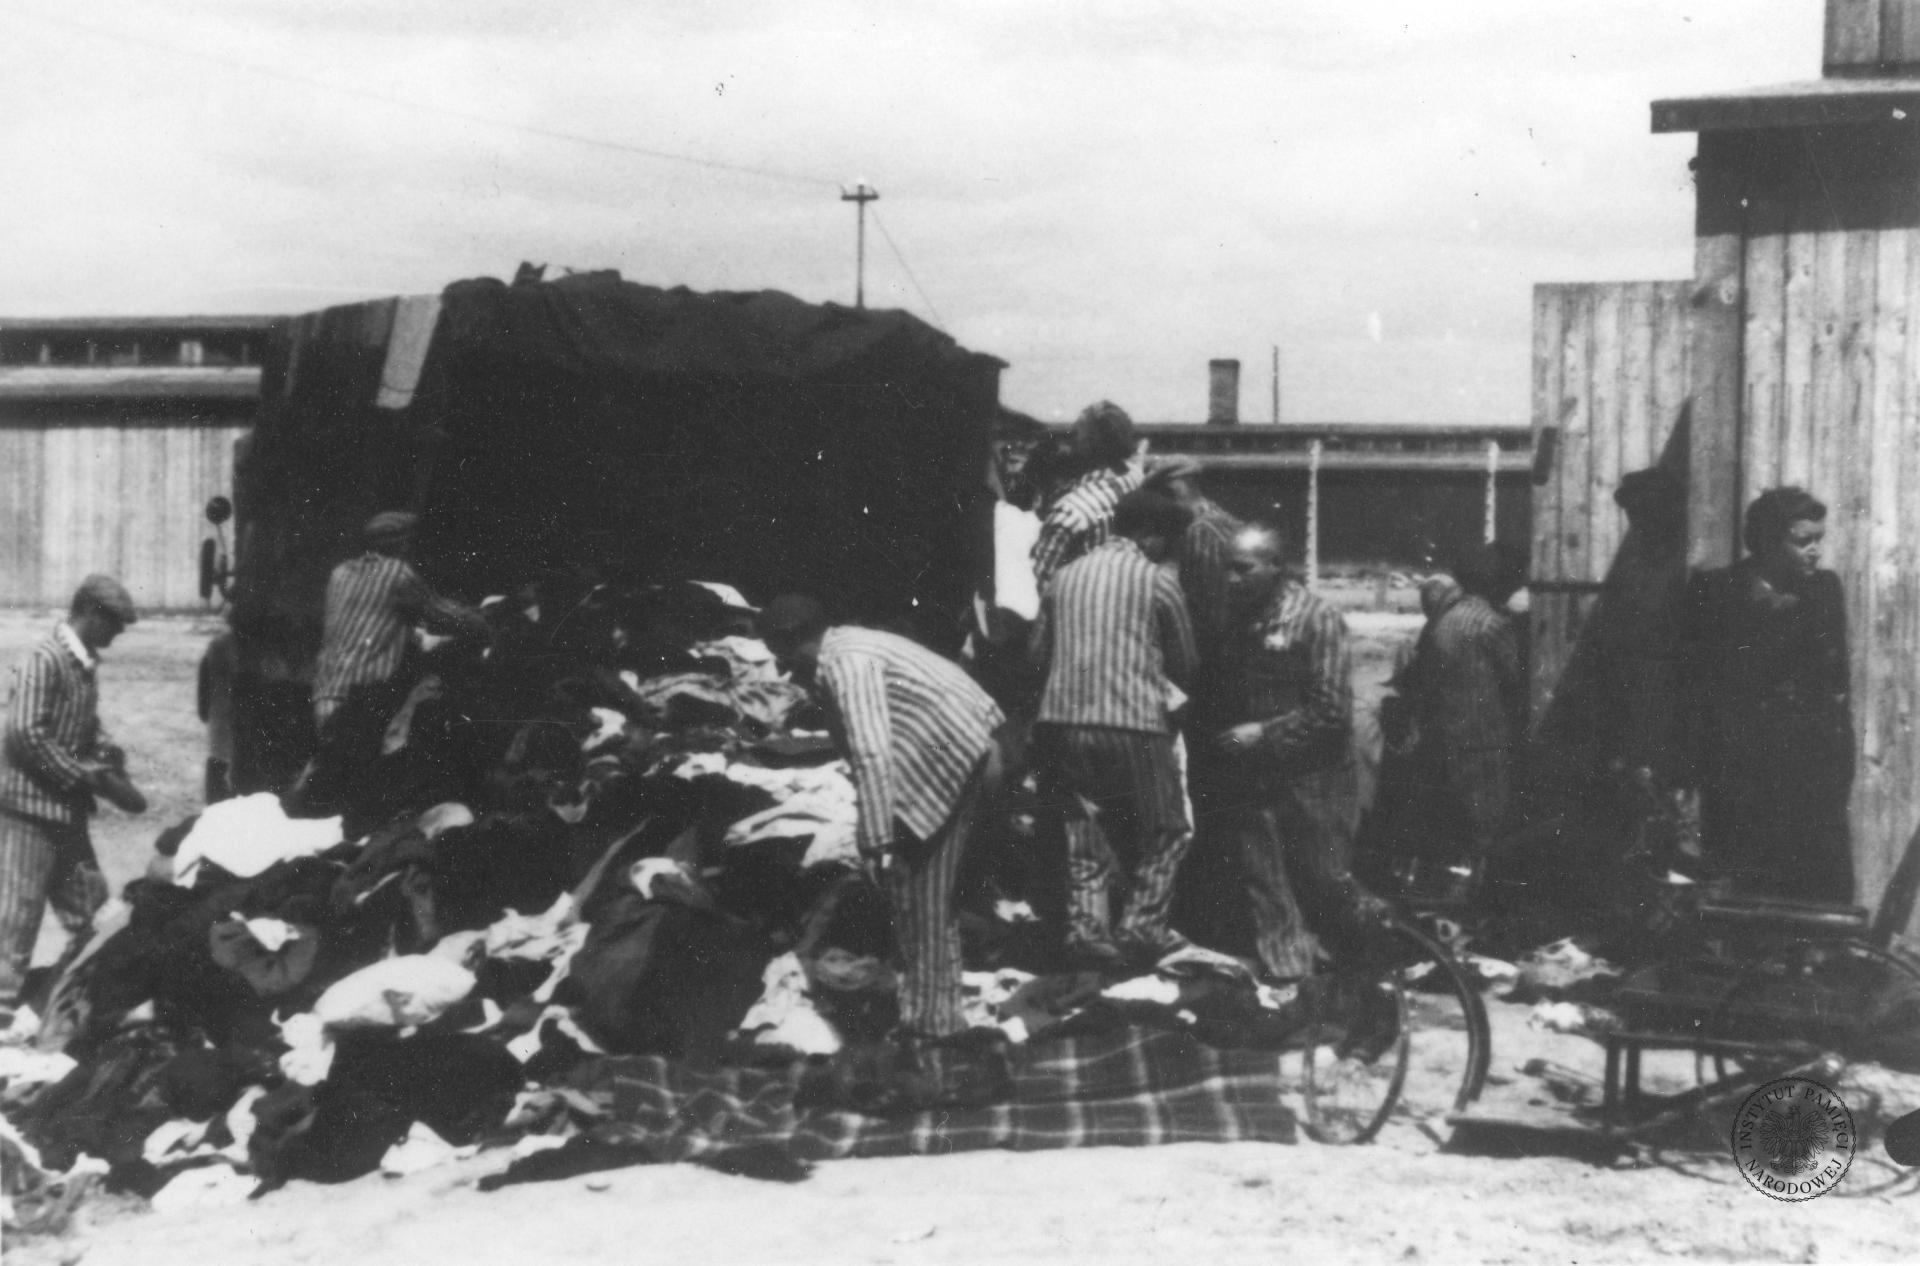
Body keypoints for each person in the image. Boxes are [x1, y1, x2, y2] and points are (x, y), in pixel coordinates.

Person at [759, 595, 1005, 1040]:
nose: (785, 670)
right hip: (961, 743)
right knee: (924, 892)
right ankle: (934, 1010)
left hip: (955, 750)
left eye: (783, 656)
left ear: (793, 643)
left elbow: (871, 750)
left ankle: (934, 1025)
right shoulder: (850, 646)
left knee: (920, 894)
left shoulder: (845, 664)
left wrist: (876, 838)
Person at [1030, 487, 1198, 968]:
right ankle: (1142, 928)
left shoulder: (1063, 577)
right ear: (1150, 536)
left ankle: (1087, 934)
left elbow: (1037, 655)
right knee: (1167, 830)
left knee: (1083, 833)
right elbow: (1185, 661)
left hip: (1062, 721)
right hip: (1134, 723)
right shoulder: (1157, 581)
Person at [1190, 525, 1365, 979]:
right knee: (1265, 884)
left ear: (1276, 567)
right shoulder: (1236, 620)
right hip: (1253, 779)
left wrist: (1262, 734)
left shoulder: (1316, 618)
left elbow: (1332, 712)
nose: (1231, 579)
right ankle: (1289, 980)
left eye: (1242, 569)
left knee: (1324, 881)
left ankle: (1359, 972)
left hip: (1313, 781)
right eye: (1226, 569)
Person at [1682, 486, 1853, 903]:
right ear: (1767, 541)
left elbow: (1836, 681)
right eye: (1803, 541)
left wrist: (1835, 760)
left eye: (1819, 539)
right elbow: (1695, 688)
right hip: (1741, 772)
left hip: (1808, 771)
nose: (1815, 551)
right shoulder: (1716, 592)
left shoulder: (1824, 591)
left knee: (1814, 891)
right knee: (1744, 889)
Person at [0, 575, 146, 1011]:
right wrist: (80, 776)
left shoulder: (84, 665)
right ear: (90, 613)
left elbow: (84, 725)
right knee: (17, 917)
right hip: (27, 810)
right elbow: (23, 732)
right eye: (114, 623)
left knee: (94, 910)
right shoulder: (45, 658)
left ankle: (79, 998)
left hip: (64, 812)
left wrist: (106, 752)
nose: (117, 634)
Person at [306, 512, 489, 800]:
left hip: (326, 694)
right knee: (366, 787)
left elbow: (374, 621)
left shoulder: (340, 574)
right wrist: (485, 620)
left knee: (335, 783)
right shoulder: (398, 574)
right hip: (362, 699)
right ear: (403, 545)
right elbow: (443, 614)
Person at [1416, 543, 1527, 876]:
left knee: (1466, 833)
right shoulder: (1492, 625)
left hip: (1452, 741)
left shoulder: (1446, 620)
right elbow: (1519, 679)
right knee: (1492, 833)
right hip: (1487, 746)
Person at [1029, 400, 1146, 595]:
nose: (1068, 443)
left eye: (1075, 435)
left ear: (1089, 445)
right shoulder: (1136, 481)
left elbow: (1039, 588)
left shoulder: (1070, 512)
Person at [1144, 455, 1244, 664]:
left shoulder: (1200, 531)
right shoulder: (1219, 517)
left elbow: (1210, 613)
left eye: (1165, 495)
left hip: (1217, 655)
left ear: (1177, 490)